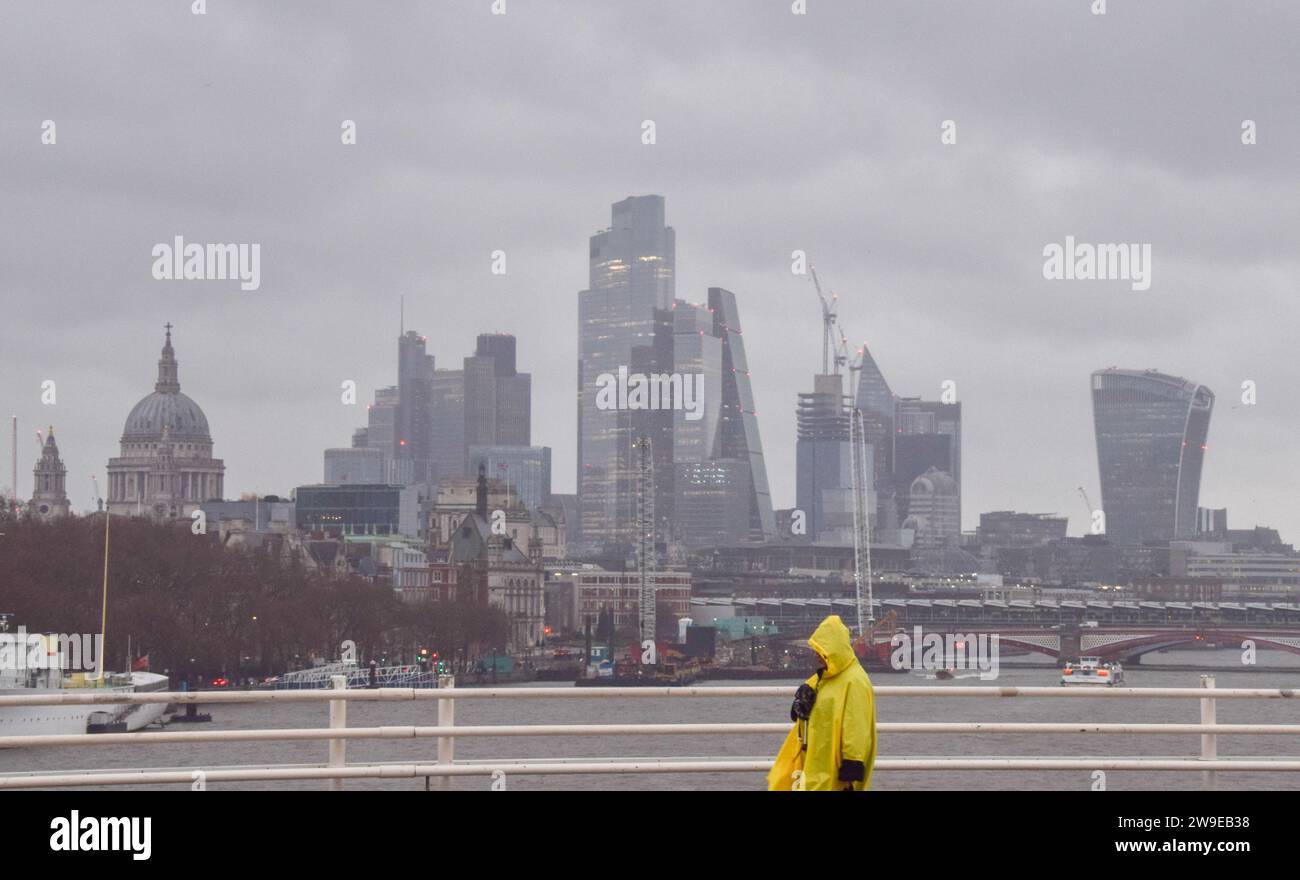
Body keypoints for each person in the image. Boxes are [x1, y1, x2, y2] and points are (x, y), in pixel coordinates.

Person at [767, 614, 877, 791]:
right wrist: (799, 705)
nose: (816, 655)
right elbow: (806, 704)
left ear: (833, 649)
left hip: (835, 766)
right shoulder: (826, 676)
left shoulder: (854, 681)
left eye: (821, 650)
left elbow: (856, 725)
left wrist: (852, 761)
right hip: (817, 761)